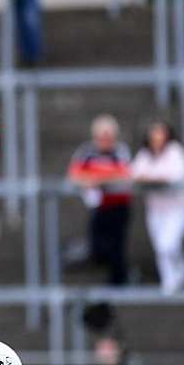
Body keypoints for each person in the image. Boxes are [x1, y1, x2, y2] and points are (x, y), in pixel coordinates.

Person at [67, 114, 132, 286]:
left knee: (117, 244)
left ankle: (119, 280)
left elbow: (123, 174)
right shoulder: (87, 151)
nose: (105, 141)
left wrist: (96, 178)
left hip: (119, 205)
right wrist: (100, 177)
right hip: (100, 206)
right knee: (98, 243)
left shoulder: (119, 151)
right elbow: (74, 174)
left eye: (108, 137)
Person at [131, 122, 184, 296]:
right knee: (160, 245)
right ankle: (169, 280)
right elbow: (135, 174)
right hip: (156, 208)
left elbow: (175, 177)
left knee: (167, 244)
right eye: (154, 135)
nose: (157, 139)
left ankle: (179, 271)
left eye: (160, 135)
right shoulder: (144, 154)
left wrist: (152, 179)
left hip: (178, 208)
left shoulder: (175, 152)